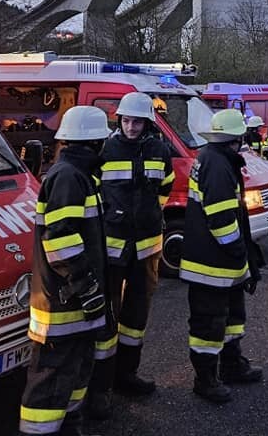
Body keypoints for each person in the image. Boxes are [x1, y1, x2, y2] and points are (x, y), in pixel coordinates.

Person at [18, 106, 111, 436]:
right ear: (95, 142)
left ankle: (71, 426)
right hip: (63, 304)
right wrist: (87, 286)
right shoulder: (69, 177)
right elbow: (60, 241)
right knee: (50, 380)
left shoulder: (79, 175)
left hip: (72, 302)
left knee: (73, 374)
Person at [87, 92, 175, 420]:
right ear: (118, 120)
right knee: (105, 319)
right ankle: (100, 388)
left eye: (137, 121)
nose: (131, 126)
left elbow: (166, 185)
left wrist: (152, 212)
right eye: (126, 120)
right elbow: (92, 192)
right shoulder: (106, 150)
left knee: (136, 319)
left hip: (147, 247)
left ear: (147, 122)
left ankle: (127, 375)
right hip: (112, 249)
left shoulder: (159, 149)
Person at [181, 109, 264, 404]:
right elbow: (220, 220)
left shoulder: (214, 158)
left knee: (230, 318)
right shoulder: (217, 164)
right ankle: (205, 380)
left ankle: (230, 365)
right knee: (208, 323)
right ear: (237, 137)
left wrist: (247, 258)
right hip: (210, 264)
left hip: (219, 262)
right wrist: (240, 253)